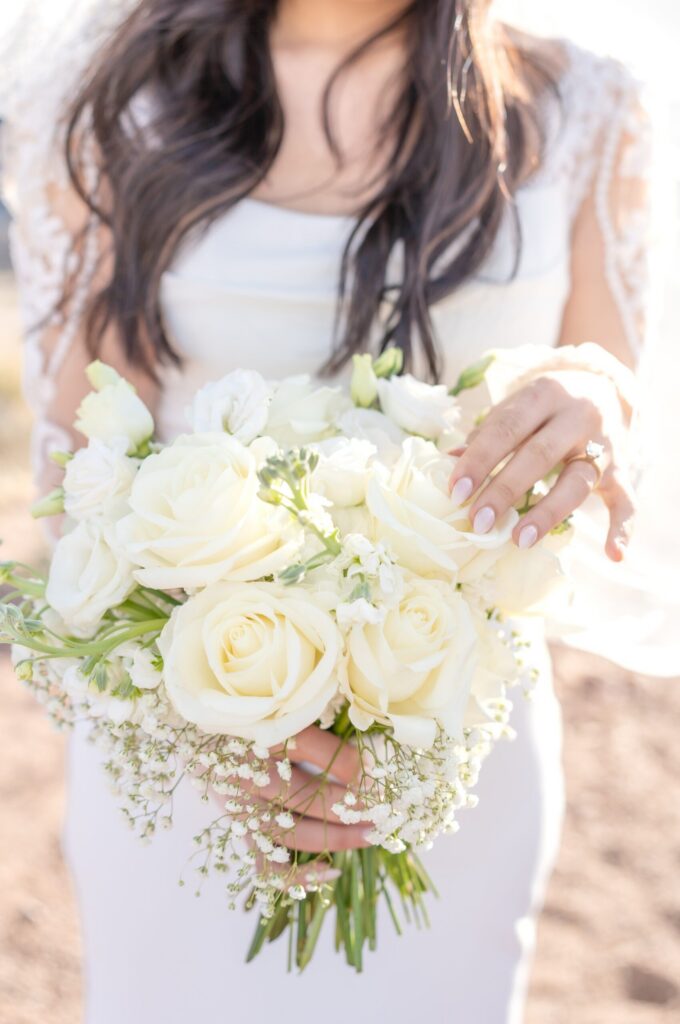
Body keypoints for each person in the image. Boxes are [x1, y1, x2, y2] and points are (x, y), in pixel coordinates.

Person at [1, 0, 653, 1020]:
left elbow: (619, 417)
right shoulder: (124, 92)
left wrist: (600, 401)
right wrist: (221, 720)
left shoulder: (585, 104)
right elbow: (79, 455)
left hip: (451, 726)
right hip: (190, 731)